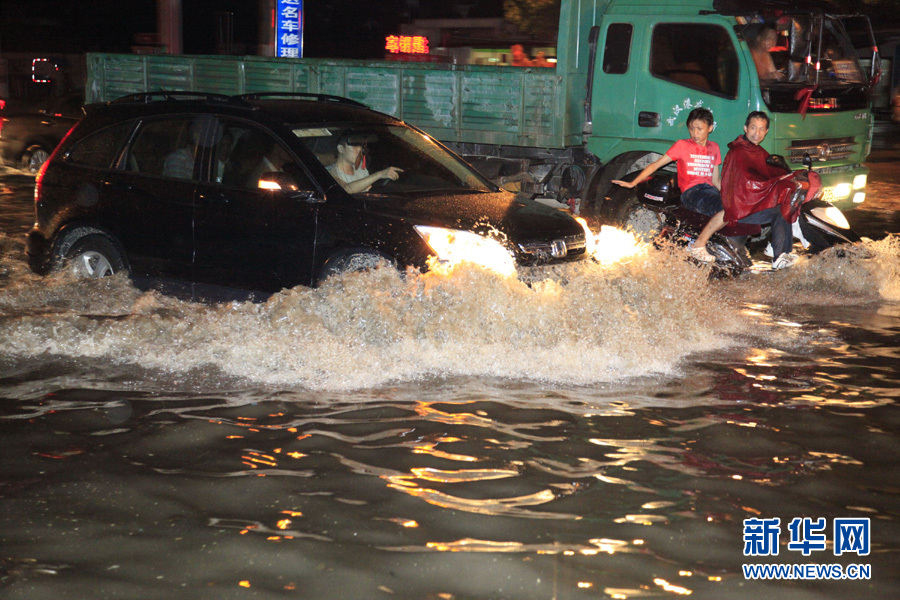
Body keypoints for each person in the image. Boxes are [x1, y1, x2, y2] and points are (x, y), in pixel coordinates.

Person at [691, 111, 801, 270]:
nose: (757, 133)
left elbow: (769, 172)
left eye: (762, 129)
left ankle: (777, 248)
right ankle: (778, 256)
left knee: (786, 202)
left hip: (750, 203)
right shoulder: (738, 152)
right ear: (745, 128)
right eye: (754, 128)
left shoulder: (757, 151)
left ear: (766, 131)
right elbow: (744, 182)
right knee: (780, 211)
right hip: (741, 207)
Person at [613, 107, 722, 262]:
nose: (695, 133)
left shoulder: (714, 147)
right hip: (692, 193)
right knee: (726, 206)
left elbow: (716, 180)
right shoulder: (683, 145)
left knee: (736, 206)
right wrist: (633, 183)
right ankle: (698, 245)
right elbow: (656, 165)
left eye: (699, 129)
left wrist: (732, 195)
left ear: (710, 128)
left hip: (710, 191)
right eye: (692, 128)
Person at [327, 131, 402, 194]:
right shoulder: (330, 171)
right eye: (354, 146)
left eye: (361, 146)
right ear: (341, 149)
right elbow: (346, 189)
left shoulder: (360, 169)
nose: (360, 150)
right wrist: (380, 174)